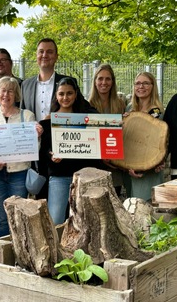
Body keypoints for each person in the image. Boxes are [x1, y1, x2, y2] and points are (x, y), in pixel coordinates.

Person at [0, 76, 39, 237]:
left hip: (19, 174)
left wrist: (37, 137)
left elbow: (34, 150)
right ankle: (3, 256)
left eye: (10, 91)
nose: (6, 95)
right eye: (3, 90)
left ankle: (21, 256)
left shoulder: (27, 116)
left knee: (18, 216)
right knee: (1, 219)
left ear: (16, 95)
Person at [38, 77, 98, 225]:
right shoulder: (48, 120)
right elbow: (44, 151)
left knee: (83, 222)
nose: (65, 98)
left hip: (83, 176)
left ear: (76, 94)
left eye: (69, 93)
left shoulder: (86, 119)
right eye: (61, 94)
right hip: (59, 176)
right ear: (56, 96)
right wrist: (51, 155)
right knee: (56, 220)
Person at [122, 72, 166, 201]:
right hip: (129, 166)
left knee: (146, 206)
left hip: (149, 168)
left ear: (153, 86)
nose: (141, 86)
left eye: (146, 83)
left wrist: (143, 167)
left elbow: (155, 142)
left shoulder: (157, 111)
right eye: (138, 83)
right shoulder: (129, 108)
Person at [21, 38, 82, 121]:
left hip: (61, 133)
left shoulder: (69, 82)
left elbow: (83, 109)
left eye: (49, 52)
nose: (44, 55)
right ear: (36, 55)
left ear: (56, 56)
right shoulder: (26, 85)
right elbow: (21, 116)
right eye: (41, 51)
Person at [88, 64, 126, 193]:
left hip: (115, 164)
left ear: (113, 81)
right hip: (95, 164)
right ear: (95, 81)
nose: (104, 82)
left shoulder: (121, 104)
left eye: (108, 79)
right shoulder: (87, 105)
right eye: (100, 79)